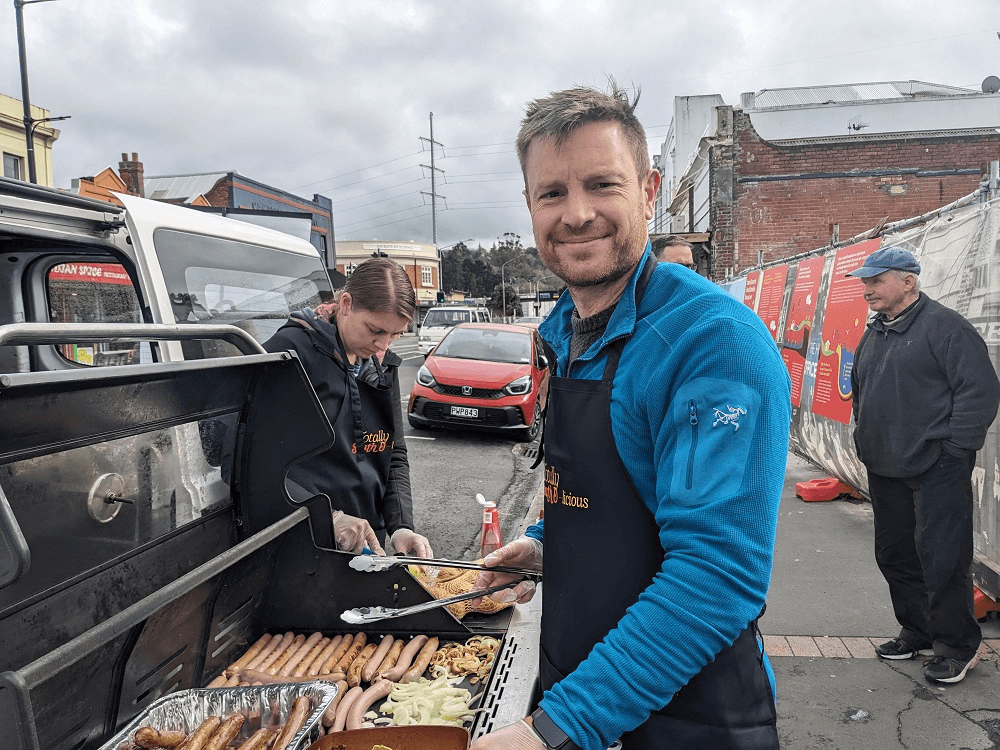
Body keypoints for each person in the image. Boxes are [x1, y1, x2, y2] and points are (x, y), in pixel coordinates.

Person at [470, 84, 791, 750]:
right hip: (574, 688)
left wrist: (554, 731)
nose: (577, 213)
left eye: (602, 184)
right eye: (552, 193)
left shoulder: (711, 343)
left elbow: (714, 579)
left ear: (648, 191)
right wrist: (542, 545)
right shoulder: (564, 331)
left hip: (688, 722)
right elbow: (611, 497)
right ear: (529, 207)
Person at [847, 246, 999, 684]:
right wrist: (865, 438)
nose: (867, 289)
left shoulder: (946, 328)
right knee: (895, 555)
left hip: (937, 468)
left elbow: (980, 393)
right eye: (864, 281)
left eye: (876, 281)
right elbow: (861, 390)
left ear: (908, 281)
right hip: (885, 467)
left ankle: (956, 646)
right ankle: (918, 631)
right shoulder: (877, 331)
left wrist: (953, 451)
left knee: (943, 559)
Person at [264, 257, 433, 558]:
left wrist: (401, 526)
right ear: (345, 303)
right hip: (307, 542)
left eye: (395, 335)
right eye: (375, 330)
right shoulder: (291, 353)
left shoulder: (380, 365)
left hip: (370, 542)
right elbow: (249, 459)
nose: (383, 346)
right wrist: (325, 516)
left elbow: (393, 454)